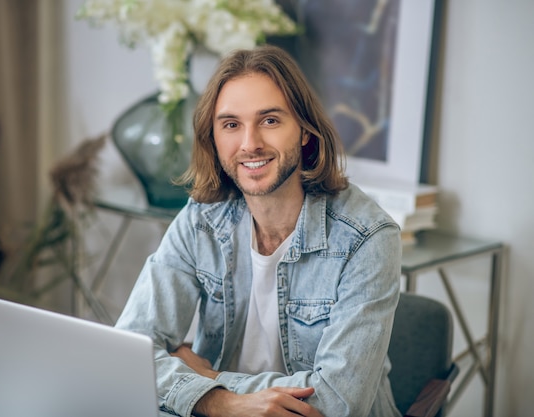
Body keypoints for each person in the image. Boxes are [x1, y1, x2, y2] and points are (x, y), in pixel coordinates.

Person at [115, 44, 402, 417]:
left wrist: (207, 376)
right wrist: (222, 402)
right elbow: (129, 352)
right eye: (231, 125)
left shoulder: (367, 238)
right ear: (213, 138)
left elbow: (336, 404)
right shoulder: (200, 219)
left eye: (269, 120)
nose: (250, 144)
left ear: (304, 131)